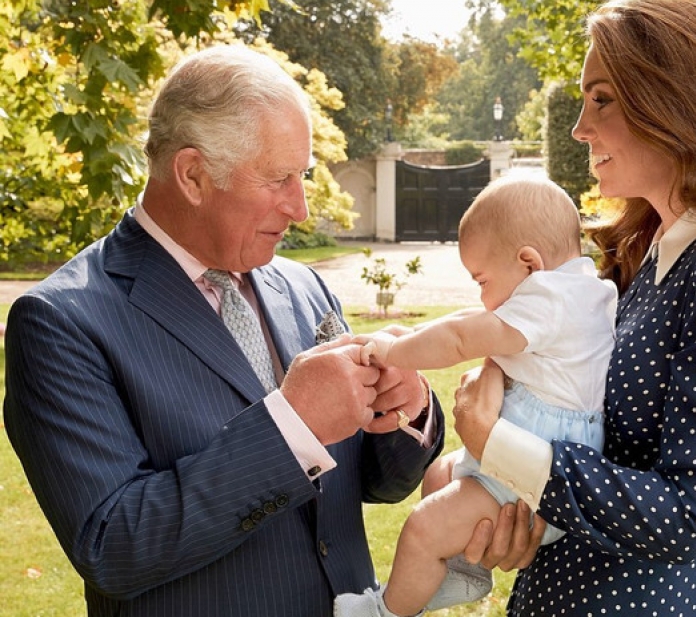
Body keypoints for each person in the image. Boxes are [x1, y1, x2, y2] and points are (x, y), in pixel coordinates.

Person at [3, 44, 484, 617]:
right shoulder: (61, 321)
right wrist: (292, 424)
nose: (301, 208)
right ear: (192, 175)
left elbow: (375, 484)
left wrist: (406, 408)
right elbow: (113, 547)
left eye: (302, 176)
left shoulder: (303, 286)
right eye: (279, 178)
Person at [449, 0, 696, 615]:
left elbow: (686, 515)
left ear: (679, 101)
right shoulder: (650, 254)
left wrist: (493, 441)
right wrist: (509, 494)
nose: (579, 128)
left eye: (601, 99)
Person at [335, 174, 618, 617]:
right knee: (439, 475)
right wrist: (415, 333)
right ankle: (461, 572)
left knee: (423, 527)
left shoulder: (551, 299)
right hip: (539, 453)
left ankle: (382, 611)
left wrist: (393, 352)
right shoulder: (580, 291)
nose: (483, 297)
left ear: (529, 264)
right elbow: (469, 319)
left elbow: (461, 338)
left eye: (483, 281)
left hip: (532, 469)